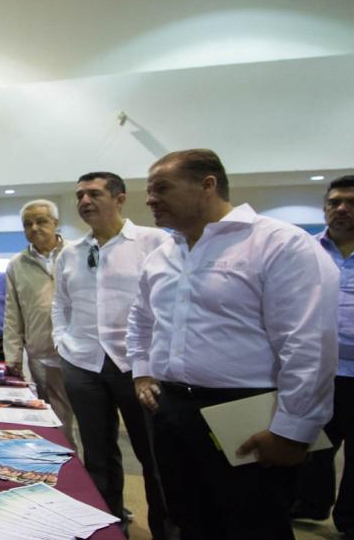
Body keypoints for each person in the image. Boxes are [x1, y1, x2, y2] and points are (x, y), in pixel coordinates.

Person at [128, 149, 339, 540]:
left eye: (161, 188)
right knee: (189, 518)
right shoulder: (163, 256)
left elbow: (308, 344)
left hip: (246, 411)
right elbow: (140, 320)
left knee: (253, 523)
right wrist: (142, 372)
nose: (150, 200)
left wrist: (293, 431)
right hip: (172, 409)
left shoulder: (277, 243)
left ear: (208, 184)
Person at [52, 171, 169, 538]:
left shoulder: (155, 242)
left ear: (119, 199)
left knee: (154, 458)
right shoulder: (70, 252)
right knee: (98, 456)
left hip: (139, 367)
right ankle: (108, 526)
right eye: (80, 195)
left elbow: (167, 304)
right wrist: (61, 342)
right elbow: (60, 303)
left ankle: (166, 530)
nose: (85, 201)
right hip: (83, 363)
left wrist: (153, 360)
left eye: (94, 194)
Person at [292, 174, 354, 536]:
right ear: (325, 207)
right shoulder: (306, 252)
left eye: (351, 203)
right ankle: (310, 505)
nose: (342, 209)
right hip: (317, 371)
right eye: (335, 202)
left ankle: (349, 521)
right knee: (310, 443)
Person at [3, 199, 75, 446]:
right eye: (28, 224)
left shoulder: (77, 253)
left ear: (55, 223)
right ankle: (67, 471)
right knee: (54, 420)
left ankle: (96, 477)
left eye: (41, 221)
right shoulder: (16, 264)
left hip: (82, 355)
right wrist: (12, 355)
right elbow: (13, 314)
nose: (34, 228)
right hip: (42, 354)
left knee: (92, 423)